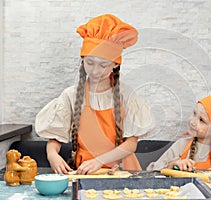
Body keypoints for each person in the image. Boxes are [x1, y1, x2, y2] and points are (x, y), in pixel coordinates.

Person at [35, 14, 154, 175]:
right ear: (82, 60)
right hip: (86, 172)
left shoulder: (126, 95)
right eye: (90, 63)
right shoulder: (70, 95)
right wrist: (52, 155)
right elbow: (56, 138)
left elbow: (131, 144)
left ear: (115, 64)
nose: (95, 71)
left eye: (103, 65)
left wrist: (99, 161)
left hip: (124, 171)